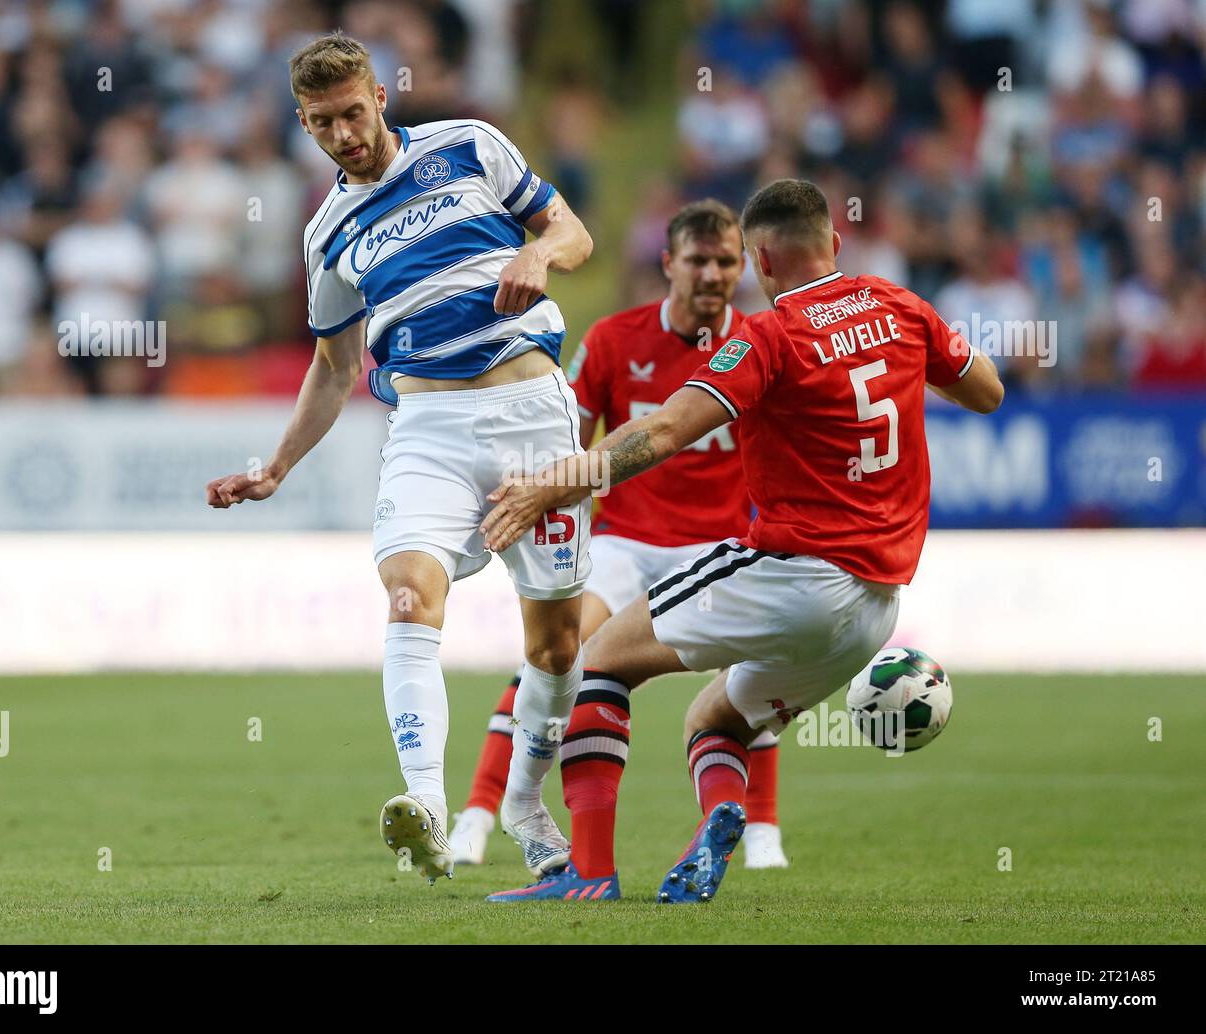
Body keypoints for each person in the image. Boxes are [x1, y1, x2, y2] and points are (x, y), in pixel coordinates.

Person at [480, 178, 1003, 903]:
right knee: (715, 718)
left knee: (598, 665)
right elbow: (987, 392)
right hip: (876, 609)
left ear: (759, 258)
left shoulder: (771, 336)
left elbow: (662, 430)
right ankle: (721, 816)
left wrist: (550, 484)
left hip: (794, 572)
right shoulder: (900, 305)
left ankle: (589, 874)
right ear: (836, 244)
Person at [205, 31, 594, 885]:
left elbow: (573, 232)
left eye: (352, 113)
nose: (343, 135)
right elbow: (335, 367)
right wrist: (276, 467)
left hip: (532, 412)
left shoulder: (469, 145)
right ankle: (425, 806)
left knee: (560, 648)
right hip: (427, 427)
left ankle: (526, 803)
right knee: (410, 594)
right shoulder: (326, 233)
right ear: (302, 126)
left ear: (381, 95)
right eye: (321, 124)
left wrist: (539, 251)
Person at [449, 198, 789, 873]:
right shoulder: (613, 340)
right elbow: (565, 441)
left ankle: (761, 831)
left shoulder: (762, 342)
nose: (714, 274)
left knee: (753, 675)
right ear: (668, 264)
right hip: (625, 542)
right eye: (699, 260)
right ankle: (480, 814)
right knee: (554, 657)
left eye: (728, 261)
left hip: (717, 545)